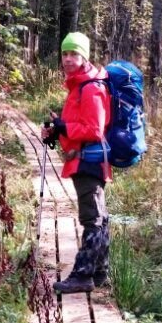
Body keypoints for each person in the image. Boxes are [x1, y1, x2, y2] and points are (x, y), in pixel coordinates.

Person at [41, 32, 111, 295]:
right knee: (100, 217)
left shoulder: (91, 88)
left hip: (90, 161)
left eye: (74, 54)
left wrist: (63, 126)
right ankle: (99, 270)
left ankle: (83, 276)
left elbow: (93, 129)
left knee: (92, 219)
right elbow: (78, 125)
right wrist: (58, 129)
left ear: (85, 56)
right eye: (65, 54)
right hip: (88, 159)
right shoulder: (79, 85)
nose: (68, 59)